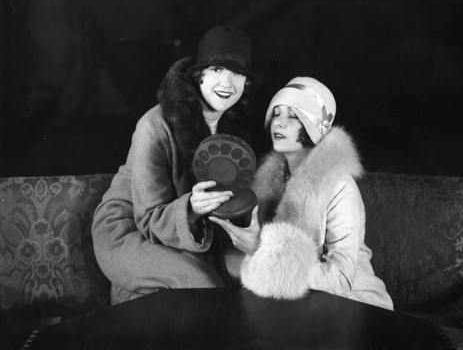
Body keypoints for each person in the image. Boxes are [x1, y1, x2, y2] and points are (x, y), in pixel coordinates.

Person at [92, 25, 261, 304]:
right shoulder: (153, 125)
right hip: (130, 230)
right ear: (199, 75)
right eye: (217, 70)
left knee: (250, 283)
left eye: (238, 73)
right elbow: (147, 218)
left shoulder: (230, 129)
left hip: (184, 233)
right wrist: (192, 207)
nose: (228, 84)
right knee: (204, 285)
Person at [210, 77, 394, 310]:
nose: (279, 122)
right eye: (276, 113)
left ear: (314, 125)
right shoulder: (272, 182)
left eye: (293, 115)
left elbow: (341, 280)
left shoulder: (340, 186)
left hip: (354, 305)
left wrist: (260, 249)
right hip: (296, 303)